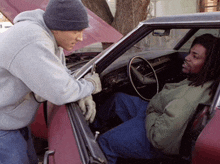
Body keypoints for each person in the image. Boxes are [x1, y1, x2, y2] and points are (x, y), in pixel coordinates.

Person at [92, 34, 220, 164]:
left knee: (105, 142)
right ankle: (92, 127)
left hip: (155, 134)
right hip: (158, 114)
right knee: (118, 99)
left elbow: (159, 139)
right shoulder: (204, 80)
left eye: (195, 56)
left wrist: (150, 114)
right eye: (190, 53)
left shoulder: (186, 100)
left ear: (209, 63)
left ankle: (97, 143)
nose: (187, 58)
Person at [0, 0, 101, 163]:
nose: (81, 38)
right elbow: (61, 91)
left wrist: (81, 93)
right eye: (77, 31)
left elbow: (62, 75)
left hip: (11, 119)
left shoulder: (48, 36)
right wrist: (91, 86)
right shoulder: (32, 40)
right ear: (59, 26)